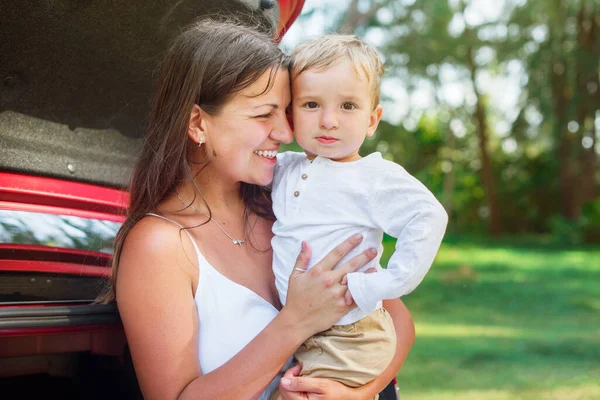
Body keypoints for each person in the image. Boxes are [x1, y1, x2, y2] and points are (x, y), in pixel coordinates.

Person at [101, 18, 416, 400]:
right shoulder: (160, 247)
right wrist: (293, 323)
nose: (285, 132)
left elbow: (397, 319)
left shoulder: (287, 203)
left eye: (286, 112)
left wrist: (362, 393)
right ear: (199, 123)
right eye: (263, 114)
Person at [270, 35, 448, 395]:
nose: (329, 121)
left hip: (349, 334)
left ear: (373, 119)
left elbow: (429, 217)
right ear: (290, 115)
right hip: (304, 330)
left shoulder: (373, 177)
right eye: (311, 105)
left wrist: (378, 285)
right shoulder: (281, 168)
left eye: (348, 106)